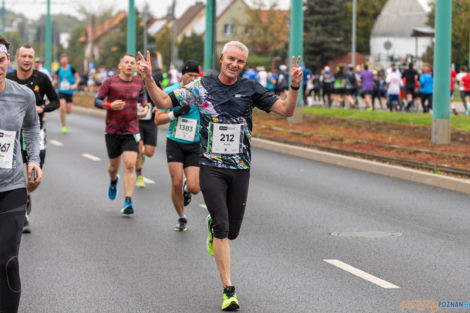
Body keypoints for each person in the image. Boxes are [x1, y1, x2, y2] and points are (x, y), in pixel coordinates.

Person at [137, 41, 302, 311]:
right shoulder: (201, 87)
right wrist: (147, 79)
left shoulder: (250, 88)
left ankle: (216, 229)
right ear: (221, 57)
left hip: (240, 167)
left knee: (232, 231)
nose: (235, 64)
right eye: (231, 59)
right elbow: (164, 102)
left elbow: (286, 110)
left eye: (240, 61)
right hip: (210, 165)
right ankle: (228, 289)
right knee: (223, 227)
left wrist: (294, 87)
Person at [0, 35, 42, 313]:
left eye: (0, 60)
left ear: (7, 61)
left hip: (11, 186)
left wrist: (33, 159)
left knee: (7, 260)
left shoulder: (23, 95)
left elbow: (31, 126)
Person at [7, 44, 59, 233]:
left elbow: (56, 101)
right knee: (13, 172)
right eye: (24, 56)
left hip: (35, 132)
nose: (27, 60)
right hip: (11, 134)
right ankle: (21, 210)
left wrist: (42, 108)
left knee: (33, 173)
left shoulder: (42, 78)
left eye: (30, 57)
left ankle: (25, 198)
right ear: (16, 58)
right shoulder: (8, 78)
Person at [94, 54, 148, 215]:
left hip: (131, 130)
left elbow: (142, 97)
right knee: (113, 167)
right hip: (112, 130)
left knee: (130, 164)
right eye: (127, 62)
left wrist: (145, 107)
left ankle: (128, 201)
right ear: (120, 65)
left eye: (132, 63)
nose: (130, 65)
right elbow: (97, 100)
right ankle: (113, 180)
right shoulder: (110, 82)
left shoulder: (139, 82)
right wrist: (110, 105)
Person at [154, 60, 201, 231]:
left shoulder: (201, 93)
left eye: (196, 76)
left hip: (195, 144)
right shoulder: (170, 92)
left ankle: (187, 189)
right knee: (176, 182)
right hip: (175, 142)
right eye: (190, 75)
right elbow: (157, 120)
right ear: (183, 75)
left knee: (195, 187)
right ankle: (181, 216)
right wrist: (175, 113)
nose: (193, 79)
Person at [52, 53, 80, 134]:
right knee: (62, 108)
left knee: (68, 111)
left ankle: (64, 114)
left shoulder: (72, 69)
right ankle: (63, 125)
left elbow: (78, 78)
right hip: (61, 91)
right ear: (61, 61)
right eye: (62, 60)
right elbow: (56, 79)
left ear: (67, 61)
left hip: (69, 91)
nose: (63, 62)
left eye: (65, 60)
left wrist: (75, 84)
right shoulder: (59, 70)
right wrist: (53, 83)